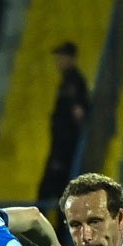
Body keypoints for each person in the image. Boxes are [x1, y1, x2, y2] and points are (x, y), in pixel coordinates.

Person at [37, 41, 89, 208]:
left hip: (64, 145)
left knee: (54, 187)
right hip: (60, 142)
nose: (58, 62)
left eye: (61, 57)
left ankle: (55, 229)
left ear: (71, 59)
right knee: (53, 188)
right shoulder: (68, 80)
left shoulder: (74, 82)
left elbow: (78, 112)